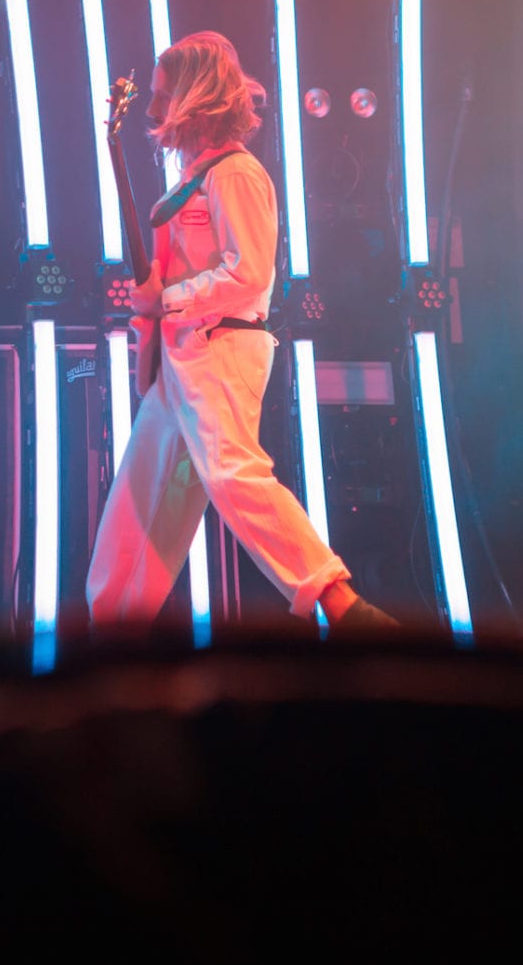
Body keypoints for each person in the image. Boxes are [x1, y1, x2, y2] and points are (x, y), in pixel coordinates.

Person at [85, 31, 399, 635]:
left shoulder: (236, 174)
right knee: (141, 498)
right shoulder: (194, 176)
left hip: (220, 345)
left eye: (164, 95)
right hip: (183, 355)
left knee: (232, 473)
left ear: (195, 99)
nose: (154, 108)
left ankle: (340, 604)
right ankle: (110, 630)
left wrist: (166, 298)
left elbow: (249, 272)